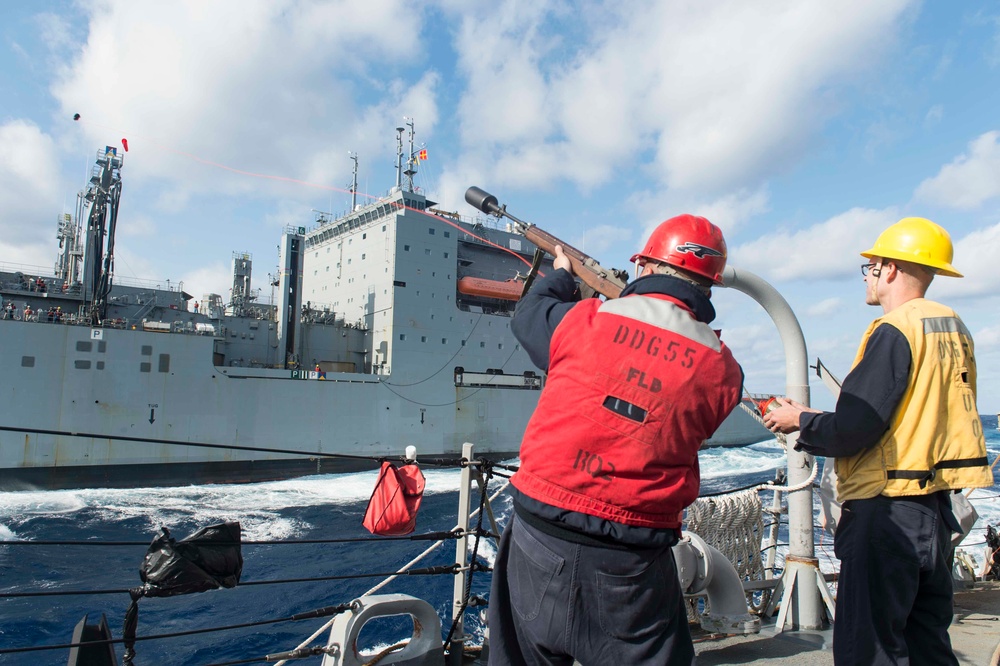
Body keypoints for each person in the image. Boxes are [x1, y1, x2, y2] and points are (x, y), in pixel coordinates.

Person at [488, 215, 744, 665]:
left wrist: (565, 276)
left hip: (538, 536)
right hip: (632, 560)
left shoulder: (585, 319)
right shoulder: (723, 370)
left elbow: (528, 318)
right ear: (709, 287)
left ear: (644, 267)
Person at [763, 217, 994, 666]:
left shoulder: (895, 329)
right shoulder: (953, 327)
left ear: (889, 269)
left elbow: (854, 429)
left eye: (870, 267)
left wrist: (799, 421)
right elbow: (912, 417)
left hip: (887, 513)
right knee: (927, 643)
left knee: (868, 649)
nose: (867, 277)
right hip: (935, 513)